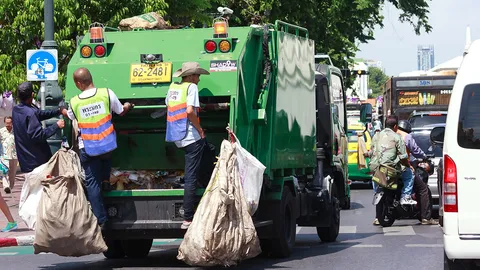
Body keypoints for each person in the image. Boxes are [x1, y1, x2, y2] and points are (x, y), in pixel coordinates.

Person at [65, 68, 133, 226]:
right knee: (105, 165)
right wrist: (129, 105)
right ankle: (106, 182)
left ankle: (101, 220)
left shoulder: (74, 101)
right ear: (91, 78)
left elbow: (70, 116)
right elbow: (121, 111)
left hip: (88, 147)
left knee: (91, 183)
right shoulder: (107, 93)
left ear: (78, 83)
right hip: (107, 145)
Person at [165, 62, 209, 230]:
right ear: (190, 76)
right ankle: (188, 218)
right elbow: (189, 111)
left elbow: (170, 106)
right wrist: (200, 129)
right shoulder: (191, 88)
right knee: (192, 176)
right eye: (197, 75)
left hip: (177, 136)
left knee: (208, 154)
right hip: (192, 137)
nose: (198, 79)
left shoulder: (173, 88)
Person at [12, 82, 67, 173]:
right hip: (36, 161)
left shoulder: (16, 110)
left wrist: (58, 110)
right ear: (32, 95)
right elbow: (39, 135)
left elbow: (39, 114)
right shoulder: (30, 113)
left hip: (25, 159)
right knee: (39, 186)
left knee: (31, 185)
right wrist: (56, 125)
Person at [397, 120, 438, 225]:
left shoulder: (387, 136)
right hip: (403, 166)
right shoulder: (406, 136)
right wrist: (424, 157)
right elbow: (416, 150)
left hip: (387, 167)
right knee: (423, 189)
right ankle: (426, 217)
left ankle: (378, 218)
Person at [368, 115, 415, 205]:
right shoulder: (397, 137)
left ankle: (376, 191)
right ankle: (405, 197)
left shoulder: (376, 136)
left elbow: (371, 152)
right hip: (390, 169)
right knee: (410, 174)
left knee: (374, 176)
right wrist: (409, 166)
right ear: (395, 126)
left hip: (375, 168)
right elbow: (403, 157)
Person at [0, 117, 17, 194]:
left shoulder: (16, 131)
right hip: (4, 156)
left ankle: (10, 187)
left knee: (12, 175)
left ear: (12, 123)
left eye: (9, 123)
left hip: (14, 155)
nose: (8, 125)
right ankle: (6, 186)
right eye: (6, 123)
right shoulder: (1, 131)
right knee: (4, 172)